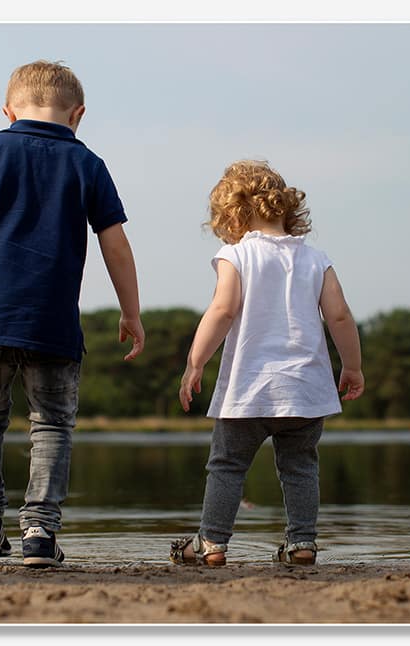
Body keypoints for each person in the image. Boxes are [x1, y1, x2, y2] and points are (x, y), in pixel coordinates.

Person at [0, 60, 145, 568]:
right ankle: (39, 533)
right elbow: (115, 244)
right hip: (52, 322)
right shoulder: (88, 163)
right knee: (51, 424)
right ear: (78, 114)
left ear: (8, 112)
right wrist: (131, 312)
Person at [171, 160, 364, 567]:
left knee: (227, 465)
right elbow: (340, 316)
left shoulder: (236, 255)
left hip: (249, 389)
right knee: (300, 467)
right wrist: (352, 366)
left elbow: (223, 310)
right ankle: (302, 544)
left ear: (232, 214)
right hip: (305, 391)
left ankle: (212, 543)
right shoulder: (316, 259)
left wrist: (195, 362)